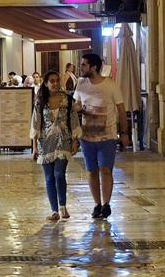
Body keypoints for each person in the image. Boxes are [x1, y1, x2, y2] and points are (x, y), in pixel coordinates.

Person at [73, 52, 128, 220]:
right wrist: (76, 107)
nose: (80, 68)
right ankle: (97, 204)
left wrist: (124, 133)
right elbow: (76, 104)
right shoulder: (81, 84)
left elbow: (121, 110)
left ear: (94, 67)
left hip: (108, 137)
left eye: (83, 65)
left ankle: (106, 204)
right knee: (91, 171)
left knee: (106, 170)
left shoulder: (111, 86)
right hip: (87, 136)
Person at [32, 71, 77, 222]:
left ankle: (63, 206)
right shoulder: (40, 101)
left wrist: (75, 140)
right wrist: (34, 146)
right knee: (49, 177)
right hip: (45, 141)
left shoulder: (67, 99)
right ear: (46, 83)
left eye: (57, 80)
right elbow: (36, 123)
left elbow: (73, 119)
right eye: (52, 81)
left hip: (64, 139)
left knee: (59, 173)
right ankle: (54, 210)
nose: (55, 83)